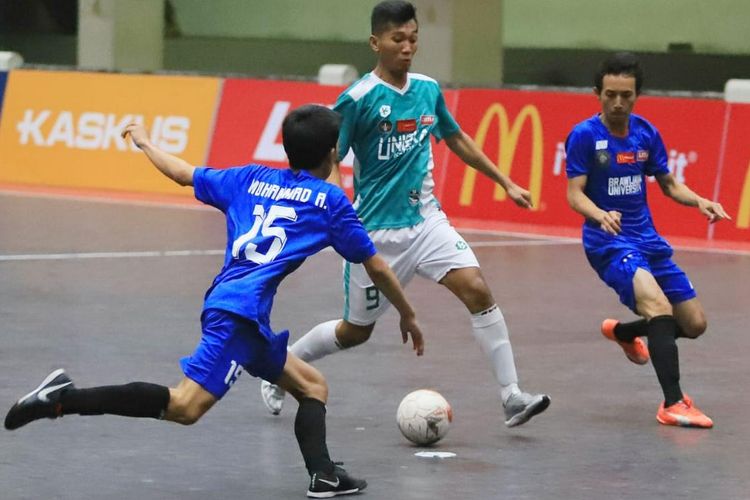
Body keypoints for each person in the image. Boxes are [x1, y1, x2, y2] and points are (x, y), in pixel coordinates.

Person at [4, 105, 425, 498]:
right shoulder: (332, 204)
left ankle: (323, 474)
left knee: (312, 385)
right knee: (185, 407)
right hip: (237, 316)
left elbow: (183, 173)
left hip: (239, 309)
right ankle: (63, 398)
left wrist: (146, 142)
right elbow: (378, 267)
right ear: (334, 153)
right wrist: (406, 312)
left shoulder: (248, 178)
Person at [261, 0, 550, 428]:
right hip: (375, 233)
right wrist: (333, 205)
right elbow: (330, 152)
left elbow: (456, 138)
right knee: (355, 332)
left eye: (414, 38)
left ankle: (511, 396)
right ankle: (280, 368)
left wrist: (504, 181)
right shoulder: (357, 98)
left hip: (427, 222)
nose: (408, 46)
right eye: (398, 39)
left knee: (477, 290)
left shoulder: (428, 90)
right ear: (376, 42)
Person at [565, 52, 730, 428]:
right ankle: (673, 403)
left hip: (649, 240)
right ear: (597, 93)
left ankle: (623, 332)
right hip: (608, 243)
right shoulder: (585, 136)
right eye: (610, 94)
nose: (618, 103)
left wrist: (701, 200)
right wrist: (599, 215)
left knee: (693, 324)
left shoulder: (645, 133)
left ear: (637, 94)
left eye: (626, 95)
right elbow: (574, 194)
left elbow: (669, 184)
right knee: (657, 306)